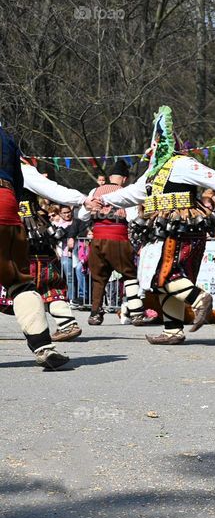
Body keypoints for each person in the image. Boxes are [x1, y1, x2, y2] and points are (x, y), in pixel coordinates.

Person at [86, 106, 215, 344]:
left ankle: (199, 298)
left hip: (180, 227)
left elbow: (213, 178)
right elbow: (134, 193)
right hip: (162, 228)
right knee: (160, 282)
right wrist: (104, 200)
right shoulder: (154, 172)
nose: (151, 148)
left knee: (162, 277)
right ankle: (173, 330)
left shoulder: (181, 164)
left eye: (156, 142)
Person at [0, 126, 75, 368]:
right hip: (8, 207)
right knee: (20, 282)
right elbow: (20, 182)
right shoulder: (7, 137)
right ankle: (44, 346)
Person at [1, 162, 97, 343]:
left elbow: (52, 190)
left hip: (24, 234)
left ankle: (49, 333)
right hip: (24, 233)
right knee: (47, 282)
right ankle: (67, 323)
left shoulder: (22, 170)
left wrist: (81, 199)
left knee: (40, 281)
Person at [85, 160, 146, 326]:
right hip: (117, 238)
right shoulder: (125, 192)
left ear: (110, 176)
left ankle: (95, 314)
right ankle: (137, 313)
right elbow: (133, 217)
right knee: (129, 274)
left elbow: (83, 214)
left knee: (98, 277)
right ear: (124, 179)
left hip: (96, 239)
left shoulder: (95, 191)